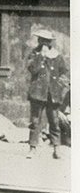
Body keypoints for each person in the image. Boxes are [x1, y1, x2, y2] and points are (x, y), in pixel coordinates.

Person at [26, 29, 69, 159]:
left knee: (54, 122)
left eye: (47, 41)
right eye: (42, 40)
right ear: (39, 41)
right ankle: (32, 148)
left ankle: (56, 148)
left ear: (50, 42)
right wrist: (41, 56)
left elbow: (64, 73)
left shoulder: (57, 56)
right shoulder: (34, 54)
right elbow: (32, 69)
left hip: (53, 94)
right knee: (35, 121)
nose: (44, 43)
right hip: (38, 93)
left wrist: (60, 86)